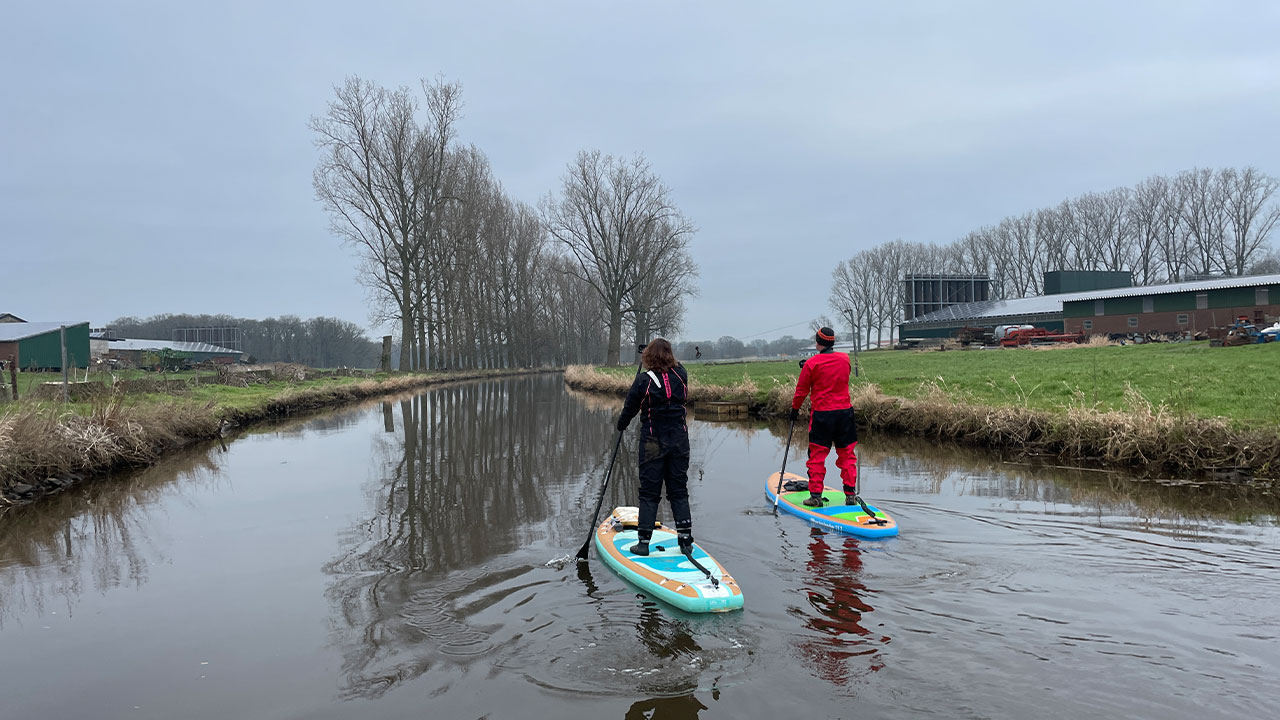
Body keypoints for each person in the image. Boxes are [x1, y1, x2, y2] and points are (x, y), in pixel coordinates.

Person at [616, 337, 692, 556]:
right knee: (678, 490)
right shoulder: (682, 375)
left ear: (647, 356)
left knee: (649, 492)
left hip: (653, 440)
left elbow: (630, 406)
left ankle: (643, 543)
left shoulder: (643, 381)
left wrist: (621, 425)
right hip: (679, 439)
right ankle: (685, 541)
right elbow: (676, 367)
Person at [790, 327, 858, 507]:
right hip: (845, 414)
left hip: (823, 416)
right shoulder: (845, 359)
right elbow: (837, 375)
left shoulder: (812, 364)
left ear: (818, 342)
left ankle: (815, 497)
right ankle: (850, 495)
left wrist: (794, 409)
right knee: (847, 455)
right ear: (833, 342)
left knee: (817, 456)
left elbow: (801, 390)